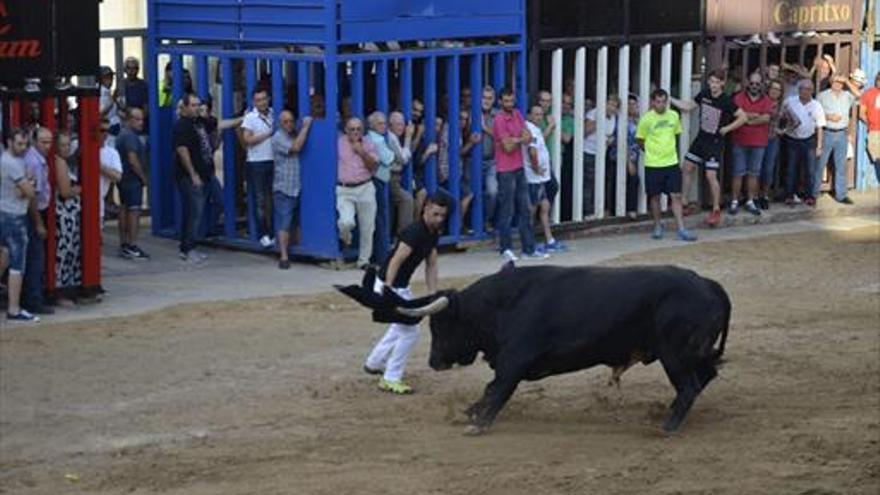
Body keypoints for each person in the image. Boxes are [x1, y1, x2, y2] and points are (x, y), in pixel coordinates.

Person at [363, 192, 450, 394]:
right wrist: (388, 289)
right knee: (410, 332)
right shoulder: (414, 232)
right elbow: (396, 260)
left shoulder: (432, 233)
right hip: (389, 285)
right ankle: (391, 377)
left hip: (399, 287)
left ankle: (375, 362)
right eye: (436, 214)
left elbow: (431, 264)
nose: (439, 219)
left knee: (400, 328)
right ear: (426, 208)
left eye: (442, 215)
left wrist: (432, 293)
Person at [672, 69, 748, 226]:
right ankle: (685, 202)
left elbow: (743, 117)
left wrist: (727, 129)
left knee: (710, 175)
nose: (713, 85)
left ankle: (716, 208)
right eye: (711, 81)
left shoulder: (726, 101)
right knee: (687, 167)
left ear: (722, 83)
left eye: (716, 82)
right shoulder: (704, 94)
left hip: (715, 142)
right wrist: (670, 99)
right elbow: (688, 106)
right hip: (701, 137)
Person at [635, 89, 697, 242]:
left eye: (664, 101)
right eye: (658, 101)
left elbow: (676, 135)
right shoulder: (646, 119)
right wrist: (651, 151)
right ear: (652, 102)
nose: (661, 105)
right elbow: (640, 139)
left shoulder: (674, 116)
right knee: (654, 197)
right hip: (653, 164)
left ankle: (681, 228)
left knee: (676, 195)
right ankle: (657, 225)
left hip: (671, 163)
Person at [492, 87, 546, 261]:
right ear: (500, 102)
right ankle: (505, 248)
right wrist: (519, 139)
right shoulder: (499, 119)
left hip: (518, 167)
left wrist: (515, 139)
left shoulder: (517, 114)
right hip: (505, 169)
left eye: (511, 100)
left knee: (525, 208)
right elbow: (507, 147)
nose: (509, 103)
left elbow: (528, 137)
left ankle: (528, 249)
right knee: (507, 210)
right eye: (506, 101)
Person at [1, 129, 39, 321]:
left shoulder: (6, 160)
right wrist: (30, 182)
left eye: (25, 144)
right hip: (14, 216)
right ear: (9, 142)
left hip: (4, 213)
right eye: (19, 144)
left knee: (5, 257)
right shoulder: (13, 164)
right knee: (17, 263)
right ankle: (14, 308)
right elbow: (29, 192)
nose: (23, 148)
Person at [173, 93, 213, 262]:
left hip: (204, 174)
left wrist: (242, 119)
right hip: (189, 176)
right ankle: (188, 248)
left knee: (200, 209)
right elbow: (182, 150)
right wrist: (193, 174)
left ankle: (190, 244)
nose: (198, 108)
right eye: (194, 105)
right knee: (194, 212)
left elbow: (220, 125)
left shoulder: (199, 122)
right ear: (185, 107)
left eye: (199, 105)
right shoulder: (183, 125)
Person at [336, 117, 379, 269]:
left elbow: (374, 166)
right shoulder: (339, 143)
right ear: (346, 130)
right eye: (352, 129)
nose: (355, 132)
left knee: (368, 227)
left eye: (358, 129)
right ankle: (346, 238)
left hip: (365, 187)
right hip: (344, 188)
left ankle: (363, 261)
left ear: (363, 130)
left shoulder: (368, 143)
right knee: (346, 222)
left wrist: (362, 152)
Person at [272, 110, 312, 270]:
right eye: (285, 122)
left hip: (298, 186)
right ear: (280, 123)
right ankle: (283, 255)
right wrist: (306, 127)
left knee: (296, 222)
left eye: (291, 121)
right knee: (285, 222)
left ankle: (297, 250)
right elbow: (295, 148)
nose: (289, 124)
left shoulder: (292, 134)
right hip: (284, 187)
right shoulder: (278, 138)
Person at [730, 71, 774, 216]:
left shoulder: (766, 100)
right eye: (752, 83)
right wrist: (755, 116)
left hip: (759, 142)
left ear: (761, 84)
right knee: (738, 173)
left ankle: (750, 201)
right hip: (740, 141)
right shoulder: (738, 97)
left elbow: (766, 119)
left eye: (757, 83)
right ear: (747, 83)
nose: (754, 86)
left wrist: (746, 119)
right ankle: (734, 201)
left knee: (754, 173)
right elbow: (737, 114)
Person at [524, 105, 565, 252]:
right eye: (536, 114)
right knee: (533, 210)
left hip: (539, 177)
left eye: (541, 114)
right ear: (529, 115)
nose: (539, 117)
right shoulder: (530, 129)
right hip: (534, 177)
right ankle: (530, 243)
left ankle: (549, 240)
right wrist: (536, 168)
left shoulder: (535, 130)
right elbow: (533, 152)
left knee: (545, 207)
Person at [22, 128, 53, 314]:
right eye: (44, 142)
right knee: (35, 257)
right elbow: (32, 197)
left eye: (50, 142)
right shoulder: (34, 162)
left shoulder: (33, 159)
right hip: (33, 214)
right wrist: (39, 223)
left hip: (31, 212)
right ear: (34, 141)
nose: (48, 146)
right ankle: (33, 300)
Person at [241, 88, 276, 248]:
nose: (262, 102)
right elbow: (247, 139)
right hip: (256, 162)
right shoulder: (250, 117)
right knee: (260, 199)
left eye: (264, 98)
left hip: (273, 160)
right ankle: (263, 233)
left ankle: (274, 232)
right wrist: (268, 134)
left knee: (273, 199)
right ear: (254, 102)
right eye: (258, 100)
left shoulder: (274, 113)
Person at [782, 79, 826, 206]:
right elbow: (781, 114)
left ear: (812, 91)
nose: (805, 92)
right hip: (792, 139)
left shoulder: (816, 105)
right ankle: (789, 195)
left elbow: (820, 126)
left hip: (809, 140)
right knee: (791, 168)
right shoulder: (790, 101)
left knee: (810, 170)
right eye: (802, 89)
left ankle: (809, 196)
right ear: (799, 90)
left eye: (808, 89)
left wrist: (819, 146)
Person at [815, 74, 856, 205]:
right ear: (831, 82)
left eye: (840, 82)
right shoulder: (822, 96)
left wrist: (847, 82)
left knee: (840, 166)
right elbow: (815, 112)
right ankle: (813, 193)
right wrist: (828, 117)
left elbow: (859, 94)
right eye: (835, 82)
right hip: (827, 132)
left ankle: (841, 195)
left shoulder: (847, 95)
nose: (837, 84)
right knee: (820, 164)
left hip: (842, 134)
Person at [116, 108, 150, 259]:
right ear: (129, 119)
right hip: (132, 179)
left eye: (142, 119)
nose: (141, 122)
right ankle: (132, 244)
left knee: (124, 209)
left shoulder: (122, 135)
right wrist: (143, 177)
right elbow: (132, 159)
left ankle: (124, 243)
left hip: (124, 179)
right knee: (134, 211)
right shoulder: (130, 137)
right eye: (137, 119)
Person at [438, 109, 480, 231]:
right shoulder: (450, 130)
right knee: (467, 195)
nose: (463, 122)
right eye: (461, 118)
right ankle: (458, 226)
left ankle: (454, 226)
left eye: (466, 119)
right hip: (447, 173)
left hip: (452, 172)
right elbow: (457, 153)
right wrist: (471, 143)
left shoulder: (455, 130)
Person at [52, 132, 82, 298]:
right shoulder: (60, 162)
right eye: (63, 144)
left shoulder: (60, 161)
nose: (66, 147)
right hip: (65, 214)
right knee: (64, 253)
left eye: (68, 144)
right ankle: (61, 290)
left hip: (66, 213)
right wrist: (78, 190)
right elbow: (64, 192)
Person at [757, 78, 794, 209]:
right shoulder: (761, 101)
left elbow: (794, 121)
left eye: (778, 89)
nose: (775, 91)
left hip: (772, 140)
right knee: (756, 169)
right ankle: (754, 196)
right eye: (773, 88)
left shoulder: (782, 106)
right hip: (757, 138)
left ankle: (764, 196)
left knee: (768, 169)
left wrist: (782, 131)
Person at [366, 111, 396, 265]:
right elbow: (389, 158)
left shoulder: (368, 138)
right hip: (379, 181)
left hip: (374, 180)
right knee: (381, 219)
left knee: (376, 218)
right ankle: (382, 255)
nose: (384, 126)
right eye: (380, 123)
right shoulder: (377, 140)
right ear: (372, 125)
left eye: (384, 123)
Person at [583, 95, 620, 216]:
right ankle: (587, 212)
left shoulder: (614, 117)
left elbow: (610, 134)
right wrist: (599, 119)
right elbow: (585, 131)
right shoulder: (594, 113)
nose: (612, 107)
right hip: (589, 152)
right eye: (610, 104)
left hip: (602, 154)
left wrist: (610, 139)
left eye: (615, 106)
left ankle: (597, 209)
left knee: (599, 182)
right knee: (588, 183)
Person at [386, 111, 415, 234]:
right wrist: (408, 137)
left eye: (402, 124)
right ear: (390, 125)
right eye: (397, 124)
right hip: (390, 177)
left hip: (396, 176)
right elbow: (403, 159)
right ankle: (404, 236)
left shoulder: (394, 137)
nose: (401, 127)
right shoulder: (391, 138)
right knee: (407, 199)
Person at [479, 86, 499, 229]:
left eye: (489, 98)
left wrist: (485, 128)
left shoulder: (498, 115)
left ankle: (487, 220)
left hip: (492, 160)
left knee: (493, 192)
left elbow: (502, 137)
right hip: (471, 161)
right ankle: (473, 224)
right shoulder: (471, 113)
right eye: (484, 97)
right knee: (471, 194)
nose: (486, 101)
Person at [98, 120, 123, 227]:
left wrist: (100, 167)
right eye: (102, 130)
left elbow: (118, 177)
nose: (105, 133)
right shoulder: (77, 145)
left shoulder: (112, 153)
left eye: (108, 130)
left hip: (99, 201)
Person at [859, 71, 880, 184]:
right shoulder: (868, 93)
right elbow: (861, 113)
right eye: (878, 79)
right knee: (877, 158)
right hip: (874, 131)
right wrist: (869, 123)